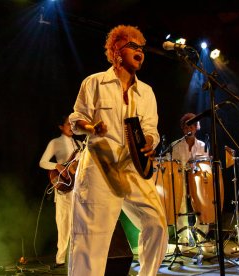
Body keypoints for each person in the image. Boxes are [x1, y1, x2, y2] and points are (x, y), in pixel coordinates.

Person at [68, 25, 168, 276]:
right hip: (100, 165)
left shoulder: (147, 92)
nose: (140, 51)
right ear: (116, 51)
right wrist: (91, 126)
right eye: (133, 46)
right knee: (92, 237)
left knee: (156, 223)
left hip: (133, 166)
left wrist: (148, 140)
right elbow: (76, 119)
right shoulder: (94, 83)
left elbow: (151, 129)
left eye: (142, 48)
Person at [39, 115, 82, 268]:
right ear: (61, 126)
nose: (71, 126)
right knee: (64, 224)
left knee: (78, 225)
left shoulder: (80, 144)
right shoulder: (55, 142)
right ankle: (60, 260)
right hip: (64, 188)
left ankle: (76, 257)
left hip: (77, 188)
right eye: (67, 123)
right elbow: (43, 162)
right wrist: (57, 166)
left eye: (73, 123)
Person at [170, 113, 209, 244]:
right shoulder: (175, 145)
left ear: (197, 127)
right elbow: (173, 166)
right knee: (180, 206)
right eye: (187, 127)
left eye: (192, 126)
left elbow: (205, 165)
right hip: (181, 181)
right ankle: (183, 238)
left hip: (197, 182)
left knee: (203, 205)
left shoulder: (203, 145)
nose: (189, 129)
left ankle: (201, 236)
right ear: (183, 129)